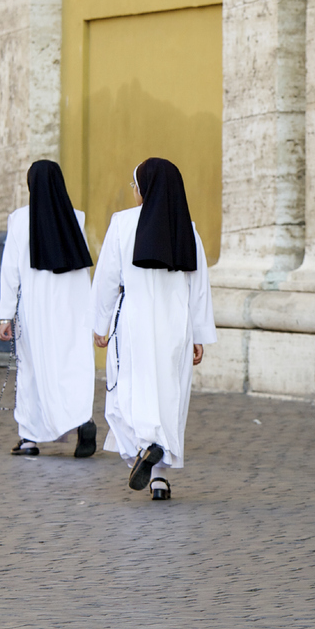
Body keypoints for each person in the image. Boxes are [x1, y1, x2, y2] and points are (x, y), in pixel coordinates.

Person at [90, 158, 217, 499]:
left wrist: (99, 324)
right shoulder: (187, 229)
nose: (134, 192)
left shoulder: (122, 223)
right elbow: (199, 286)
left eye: (135, 186)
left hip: (133, 324)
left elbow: (107, 279)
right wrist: (200, 335)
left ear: (144, 189)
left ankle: (144, 447)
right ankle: (159, 477)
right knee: (168, 395)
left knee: (128, 392)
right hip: (176, 328)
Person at [0, 161, 101, 458]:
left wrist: (5, 315)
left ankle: (29, 437)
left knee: (31, 369)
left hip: (35, 309)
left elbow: (10, 272)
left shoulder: (19, 220)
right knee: (72, 364)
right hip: (73, 308)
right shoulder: (76, 218)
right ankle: (82, 419)